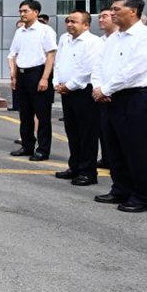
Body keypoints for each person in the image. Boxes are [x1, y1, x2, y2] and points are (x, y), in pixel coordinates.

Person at [91, 0, 147, 212]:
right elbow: (99, 65)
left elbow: (134, 70)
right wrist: (98, 87)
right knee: (114, 147)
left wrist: (105, 88)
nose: (111, 13)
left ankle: (143, 196)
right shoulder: (113, 38)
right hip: (110, 98)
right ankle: (121, 188)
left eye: (116, 9)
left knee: (138, 149)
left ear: (133, 11)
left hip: (137, 98)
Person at [53, 11, 104, 186]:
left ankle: (88, 172)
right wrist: (56, 82)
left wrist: (69, 85)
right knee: (72, 132)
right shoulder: (64, 39)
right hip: (66, 91)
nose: (69, 24)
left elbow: (87, 69)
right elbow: (58, 63)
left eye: (74, 21)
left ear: (86, 25)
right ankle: (74, 166)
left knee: (87, 134)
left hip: (84, 92)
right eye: (68, 21)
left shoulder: (94, 42)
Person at [8, 0, 58, 161]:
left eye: (25, 11)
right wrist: (14, 76)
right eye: (20, 11)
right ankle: (27, 145)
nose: (22, 14)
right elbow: (14, 54)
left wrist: (45, 78)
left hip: (38, 74)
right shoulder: (19, 32)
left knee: (42, 116)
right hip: (22, 75)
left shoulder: (45, 31)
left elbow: (51, 55)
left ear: (35, 12)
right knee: (25, 114)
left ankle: (43, 149)